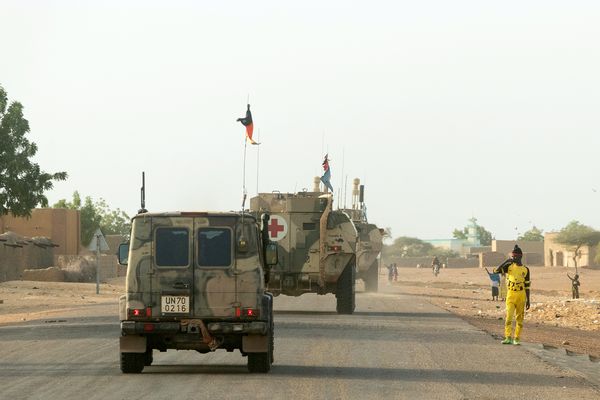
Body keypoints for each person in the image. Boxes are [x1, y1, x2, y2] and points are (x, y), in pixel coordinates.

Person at [494, 245, 531, 345]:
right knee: (509, 317)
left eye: (515, 257)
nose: (513, 258)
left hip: (521, 295)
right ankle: (508, 337)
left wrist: (528, 300)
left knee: (519, 318)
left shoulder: (525, 269)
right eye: (512, 257)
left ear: (520, 256)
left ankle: (517, 338)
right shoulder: (509, 267)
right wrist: (506, 261)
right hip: (510, 295)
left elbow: (527, 286)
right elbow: (496, 271)